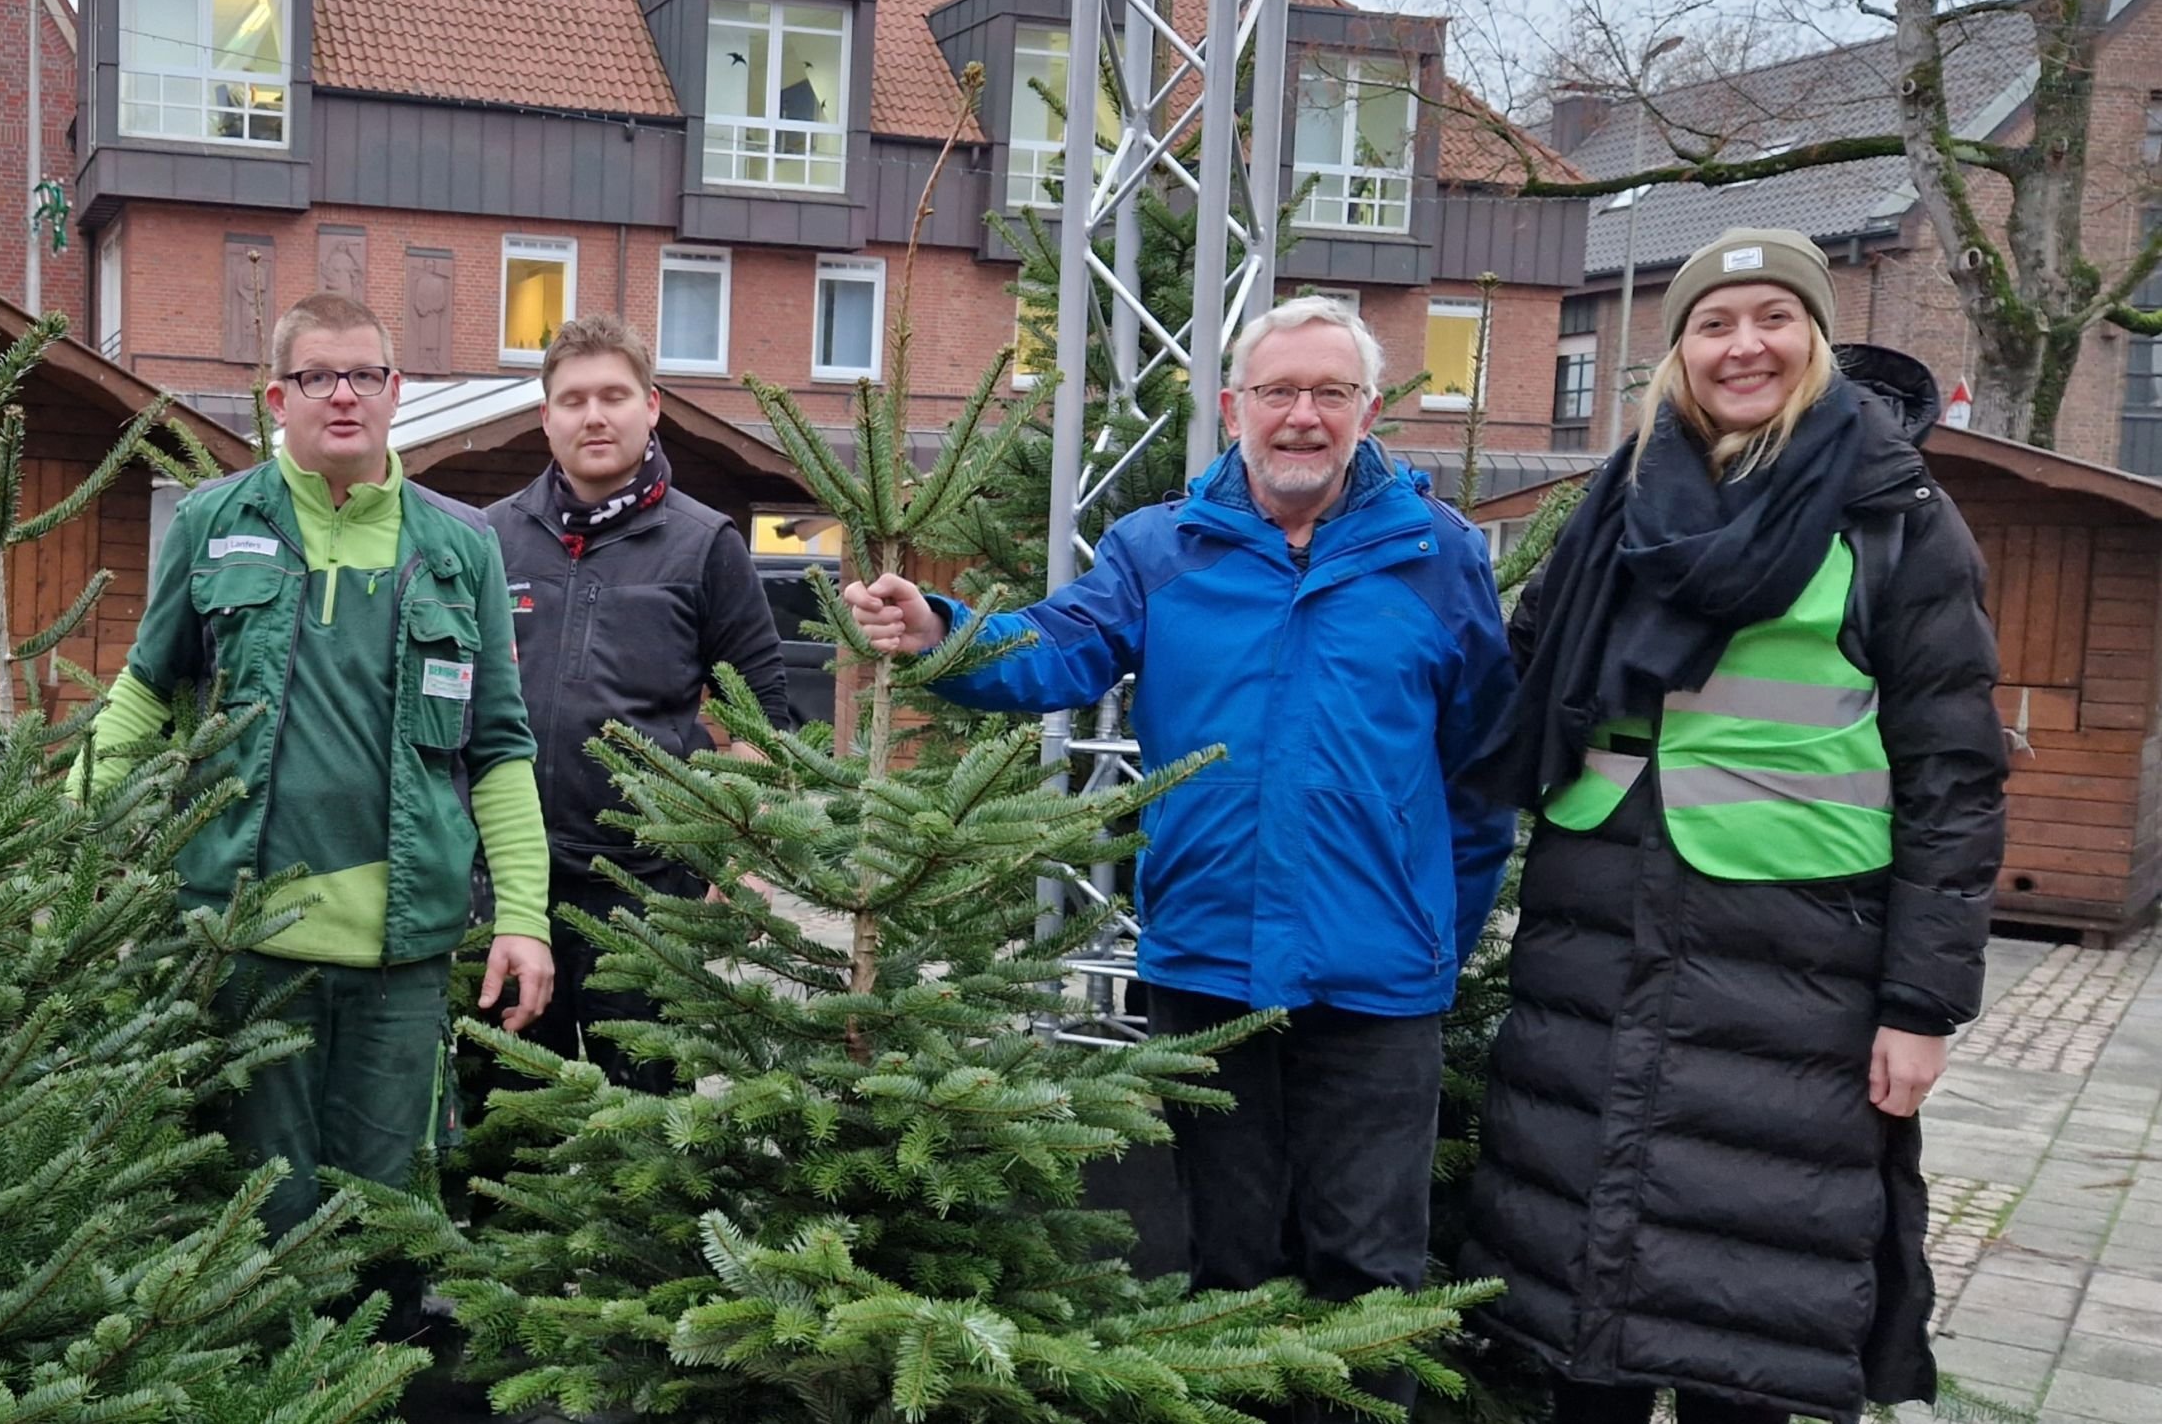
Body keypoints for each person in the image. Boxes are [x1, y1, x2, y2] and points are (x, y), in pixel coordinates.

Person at [841, 295, 1516, 1418]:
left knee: (1371, 1278)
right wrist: (944, 635)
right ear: (1231, 406)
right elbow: (1059, 648)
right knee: (1224, 1274)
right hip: (1208, 969)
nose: (1301, 417)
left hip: (1380, 983)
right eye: (1277, 392)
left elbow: (1483, 764)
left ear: (1368, 409)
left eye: (1329, 393)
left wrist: (1439, 924)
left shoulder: (1435, 558)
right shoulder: (1162, 550)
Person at [1459, 229, 2005, 1424]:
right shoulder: (1621, 500)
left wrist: (1923, 1007)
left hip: (1797, 958)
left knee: (1748, 1315)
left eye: (1771, 318)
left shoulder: (1894, 519)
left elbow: (1955, 778)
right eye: (1714, 323)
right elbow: (1521, 670)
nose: (1742, 344)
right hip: (1594, 934)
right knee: (1577, 1308)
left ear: (1814, 338)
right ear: (1680, 350)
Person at [79, 290, 554, 1235]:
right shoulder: (211, 525)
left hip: (402, 954)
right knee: (259, 1218)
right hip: (244, 945)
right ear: (278, 397)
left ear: (395, 391)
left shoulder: (461, 548)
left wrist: (526, 918)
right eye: (317, 376)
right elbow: (141, 699)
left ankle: (385, 1382)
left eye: (365, 376)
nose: (344, 395)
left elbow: (500, 746)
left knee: (386, 1220)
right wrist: (50, 842)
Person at [490, 314, 792, 1090]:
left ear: (651, 406)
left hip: (650, 893)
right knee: (508, 1121)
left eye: (614, 396)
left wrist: (736, 851)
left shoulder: (704, 543)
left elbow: (761, 715)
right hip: (508, 888)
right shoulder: (491, 539)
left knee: (651, 1126)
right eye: (573, 399)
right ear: (545, 416)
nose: (594, 415)